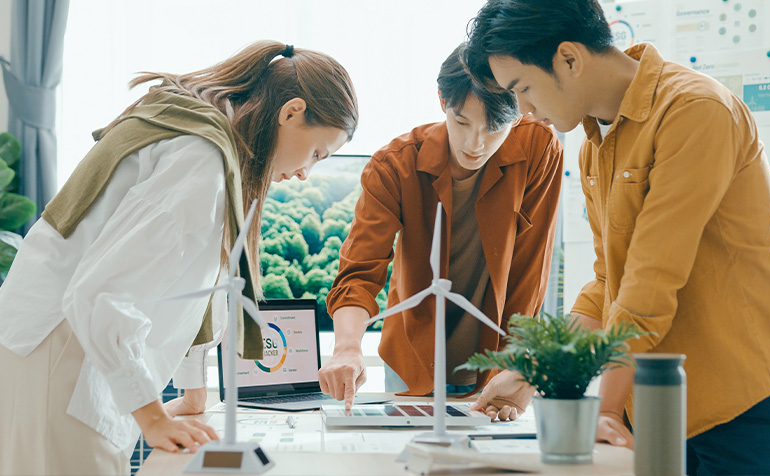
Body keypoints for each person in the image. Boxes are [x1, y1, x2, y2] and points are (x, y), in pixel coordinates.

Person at [464, 1, 770, 474]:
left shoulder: (694, 110)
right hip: (661, 401)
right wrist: (529, 371)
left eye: (522, 88)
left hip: (747, 402)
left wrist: (603, 410)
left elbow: (648, 285)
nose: (524, 111)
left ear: (569, 58)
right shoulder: (594, 148)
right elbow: (610, 283)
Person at [0, 40, 358, 476]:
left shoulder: (200, 135)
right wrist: (152, 417)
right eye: (318, 153)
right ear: (291, 112)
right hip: (65, 351)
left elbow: (191, 283)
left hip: (59, 345)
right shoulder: (201, 159)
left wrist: (193, 392)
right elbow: (98, 296)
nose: (306, 172)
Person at [318, 43, 563, 421]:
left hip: (498, 360)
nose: (476, 144)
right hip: (411, 357)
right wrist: (347, 347)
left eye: (495, 128)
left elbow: (530, 270)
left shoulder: (539, 148)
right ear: (442, 101)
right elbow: (359, 272)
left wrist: (517, 363)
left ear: (519, 114)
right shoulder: (394, 165)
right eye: (462, 122)